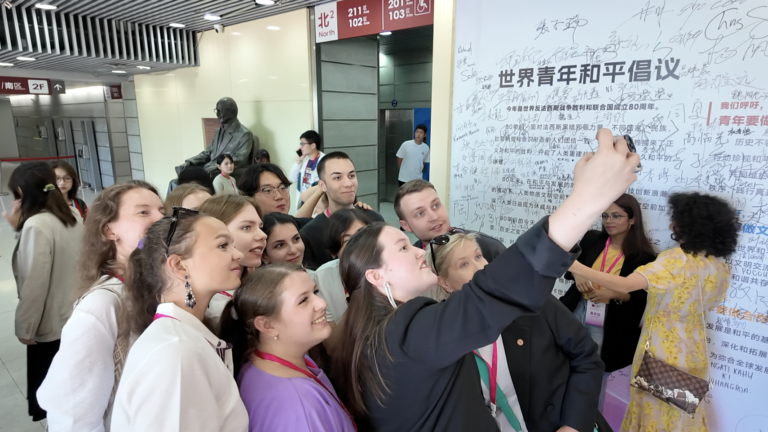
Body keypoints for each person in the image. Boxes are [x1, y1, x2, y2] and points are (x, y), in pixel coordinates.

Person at [330, 129, 640, 432]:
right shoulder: (403, 332)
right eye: (402, 246)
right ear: (375, 276)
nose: (417, 251)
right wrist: (587, 199)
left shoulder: (371, 339)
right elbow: (502, 287)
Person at [568, 192, 738, 432]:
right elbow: (709, 304)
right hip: (694, 349)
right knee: (681, 416)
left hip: (662, 349)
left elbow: (626, 285)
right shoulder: (718, 266)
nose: (670, 224)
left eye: (675, 219)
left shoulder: (676, 260)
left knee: (652, 414)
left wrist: (574, 265)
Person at [427, 232, 605, 432]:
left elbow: (587, 358)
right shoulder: (443, 337)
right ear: (445, 283)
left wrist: (573, 425)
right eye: (463, 264)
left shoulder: (531, 301)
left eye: (478, 256)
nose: (480, 268)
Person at [37, 181, 165, 432]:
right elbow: (73, 413)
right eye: (143, 212)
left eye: (163, 211)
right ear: (109, 231)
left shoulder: (156, 287)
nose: (160, 218)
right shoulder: (100, 305)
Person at [110, 210, 248, 432]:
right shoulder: (175, 352)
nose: (238, 255)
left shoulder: (184, 337)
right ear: (179, 265)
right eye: (223, 245)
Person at [218, 265, 356, 432]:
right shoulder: (299, 408)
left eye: (315, 292)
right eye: (303, 300)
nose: (322, 303)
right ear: (267, 325)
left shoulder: (267, 359)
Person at [559, 193, 656, 410]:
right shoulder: (593, 239)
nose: (608, 221)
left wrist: (614, 295)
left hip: (610, 322)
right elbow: (568, 266)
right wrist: (579, 275)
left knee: (594, 375)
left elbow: (641, 298)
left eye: (616, 216)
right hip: (576, 309)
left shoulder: (644, 256)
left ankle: (590, 422)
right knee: (561, 363)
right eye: (605, 216)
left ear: (632, 219)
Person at [4, 162, 83, 422]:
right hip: (73, 314)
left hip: (49, 323)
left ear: (21, 192)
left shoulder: (37, 225)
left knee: (50, 393)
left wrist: (24, 326)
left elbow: (34, 284)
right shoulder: (72, 214)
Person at [300, 152, 385, 270]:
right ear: (323, 185)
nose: (348, 184)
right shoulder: (310, 233)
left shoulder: (374, 219)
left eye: (351, 176)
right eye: (337, 178)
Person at [238, 163, 375, 231]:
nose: (279, 196)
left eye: (283, 188)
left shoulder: (293, 225)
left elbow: (300, 221)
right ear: (249, 196)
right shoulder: (247, 236)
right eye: (268, 190)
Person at [396, 179, 506, 262]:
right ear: (406, 226)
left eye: (435, 205)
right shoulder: (414, 261)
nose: (434, 217)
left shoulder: (488, 249)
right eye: (420, 213)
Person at [198, 195, 267, 323]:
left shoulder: (254, 285)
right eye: (247, 227)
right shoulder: (208, 303)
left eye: (260, 227)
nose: (263, 235)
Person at [314, 208, 375, 324]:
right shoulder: (323, 276)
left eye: (362, 235)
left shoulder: (390, 267)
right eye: (348, 240)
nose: (359, 244)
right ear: (334, 252)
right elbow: (332, 341)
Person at [176, 97, 257, 177]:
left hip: (220, 172)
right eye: (216, 111)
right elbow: (208, 152)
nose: (217, 114)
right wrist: (190, 162)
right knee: (180, 174)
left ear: (232, 112)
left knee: (183, 183)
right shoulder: (218, 131)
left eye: (220, 111)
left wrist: (219, 166)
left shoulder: (244, 134)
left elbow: (240, 158)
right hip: (209, 168)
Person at [289, 130, 325, 210]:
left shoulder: (324, 160)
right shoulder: (305, 160)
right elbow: (292, 178)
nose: (300, 147)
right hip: (302, 203)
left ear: (313, 145)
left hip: (316, 204)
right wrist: (298, 161)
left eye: (302, 144)